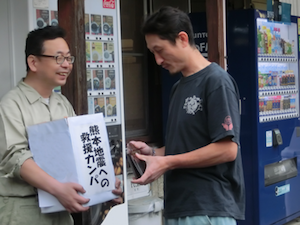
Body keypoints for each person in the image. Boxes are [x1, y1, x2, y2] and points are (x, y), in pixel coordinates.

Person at [127, 6, 245, 225]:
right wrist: (154, 153)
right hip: (180, 206)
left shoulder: (216, 82)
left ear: (182, 39)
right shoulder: (178, 88)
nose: (158, 60)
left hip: (208, 208)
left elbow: (228, 149)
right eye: (153, 52)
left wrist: (167, 162)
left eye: (159, 50)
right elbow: (186, 147)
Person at [0, 25, 122, 225]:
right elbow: (15, 158)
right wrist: (58, 189)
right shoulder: (10, 104)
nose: (67, 64)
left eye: (68, 58)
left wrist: (104, 183)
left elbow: (79, 153)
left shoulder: (61, 102)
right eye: (58, 58)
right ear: (33, 62)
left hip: (60, 209)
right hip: (23, 210)